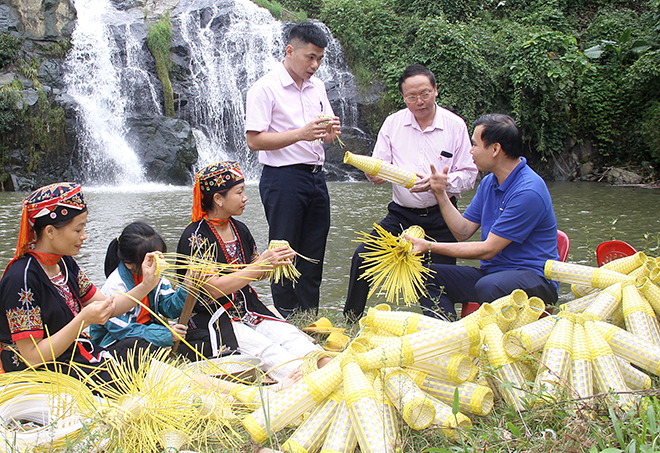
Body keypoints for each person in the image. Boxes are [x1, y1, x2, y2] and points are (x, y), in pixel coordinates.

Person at [343, 64, 478, 321]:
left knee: (437, 278)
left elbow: (470, 174)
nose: (420, 101)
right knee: (362, 256)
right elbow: (379, 170)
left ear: (436, 90)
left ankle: (442, 330)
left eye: (425, 94)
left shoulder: (454, 125)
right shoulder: (393, 124)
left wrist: (443, 182)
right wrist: (374, 176)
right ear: (404, 97)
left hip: (442, 214)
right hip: (401, 214)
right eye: (412, 97)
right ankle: (350, 320)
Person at [176, 161, 328, 381]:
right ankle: (306, 384)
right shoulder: (197, 237)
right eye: (239, 192)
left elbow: (256, 271)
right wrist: (260, 266)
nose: (245, 198)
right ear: (218, 199)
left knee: (292, 338)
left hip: (249, 309)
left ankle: (329, 368)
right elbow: (212, 290)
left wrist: (274, 263)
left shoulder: (239, 229)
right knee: (268, 351)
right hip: (215, 316)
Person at [406, 114, 560, 320]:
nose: (471, 151)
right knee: (426, 276)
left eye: (475, 144)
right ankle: (447, 337)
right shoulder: (489, 183)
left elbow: (488, 250)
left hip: (535, 279)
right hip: (494, 274)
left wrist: (429, 246)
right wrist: (441, 193)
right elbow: (462, 231)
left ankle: (492, 344)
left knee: (489, 287)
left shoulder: (528, 191)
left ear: (495, 149)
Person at [0, 183, 158, 379]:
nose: (84, 236)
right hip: (42, 374)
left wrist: (146, 285)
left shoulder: (66, 264)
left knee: (139, 348)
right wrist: (82, 320)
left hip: (72, 357)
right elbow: (33, 357)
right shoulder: (21, 278)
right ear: (50, 231)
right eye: (78, 229)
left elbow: (108, 306)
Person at [245, 22, 342, 317]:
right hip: (283, 177)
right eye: (310, 57)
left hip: (316, 176)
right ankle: (288, 316)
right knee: (283, 253)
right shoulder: (264, 88)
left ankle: (309, 317)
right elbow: (254, 140)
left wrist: (330, 131)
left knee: (314, 252)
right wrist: (301, 133)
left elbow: (323, 131)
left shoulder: (318, 86)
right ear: (290, 50)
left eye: (320, 59)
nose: (315, 65)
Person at [89, 222, 188, 349]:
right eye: (150, 260)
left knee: (200, 339)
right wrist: (165, 335)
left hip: (148, 330)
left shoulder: (154, 274)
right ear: (128, 263)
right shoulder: (115, 286)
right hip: (118, 341)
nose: (156, 264)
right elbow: (124, 331)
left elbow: (170, 308)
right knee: (143, 348)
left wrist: (188, 285)